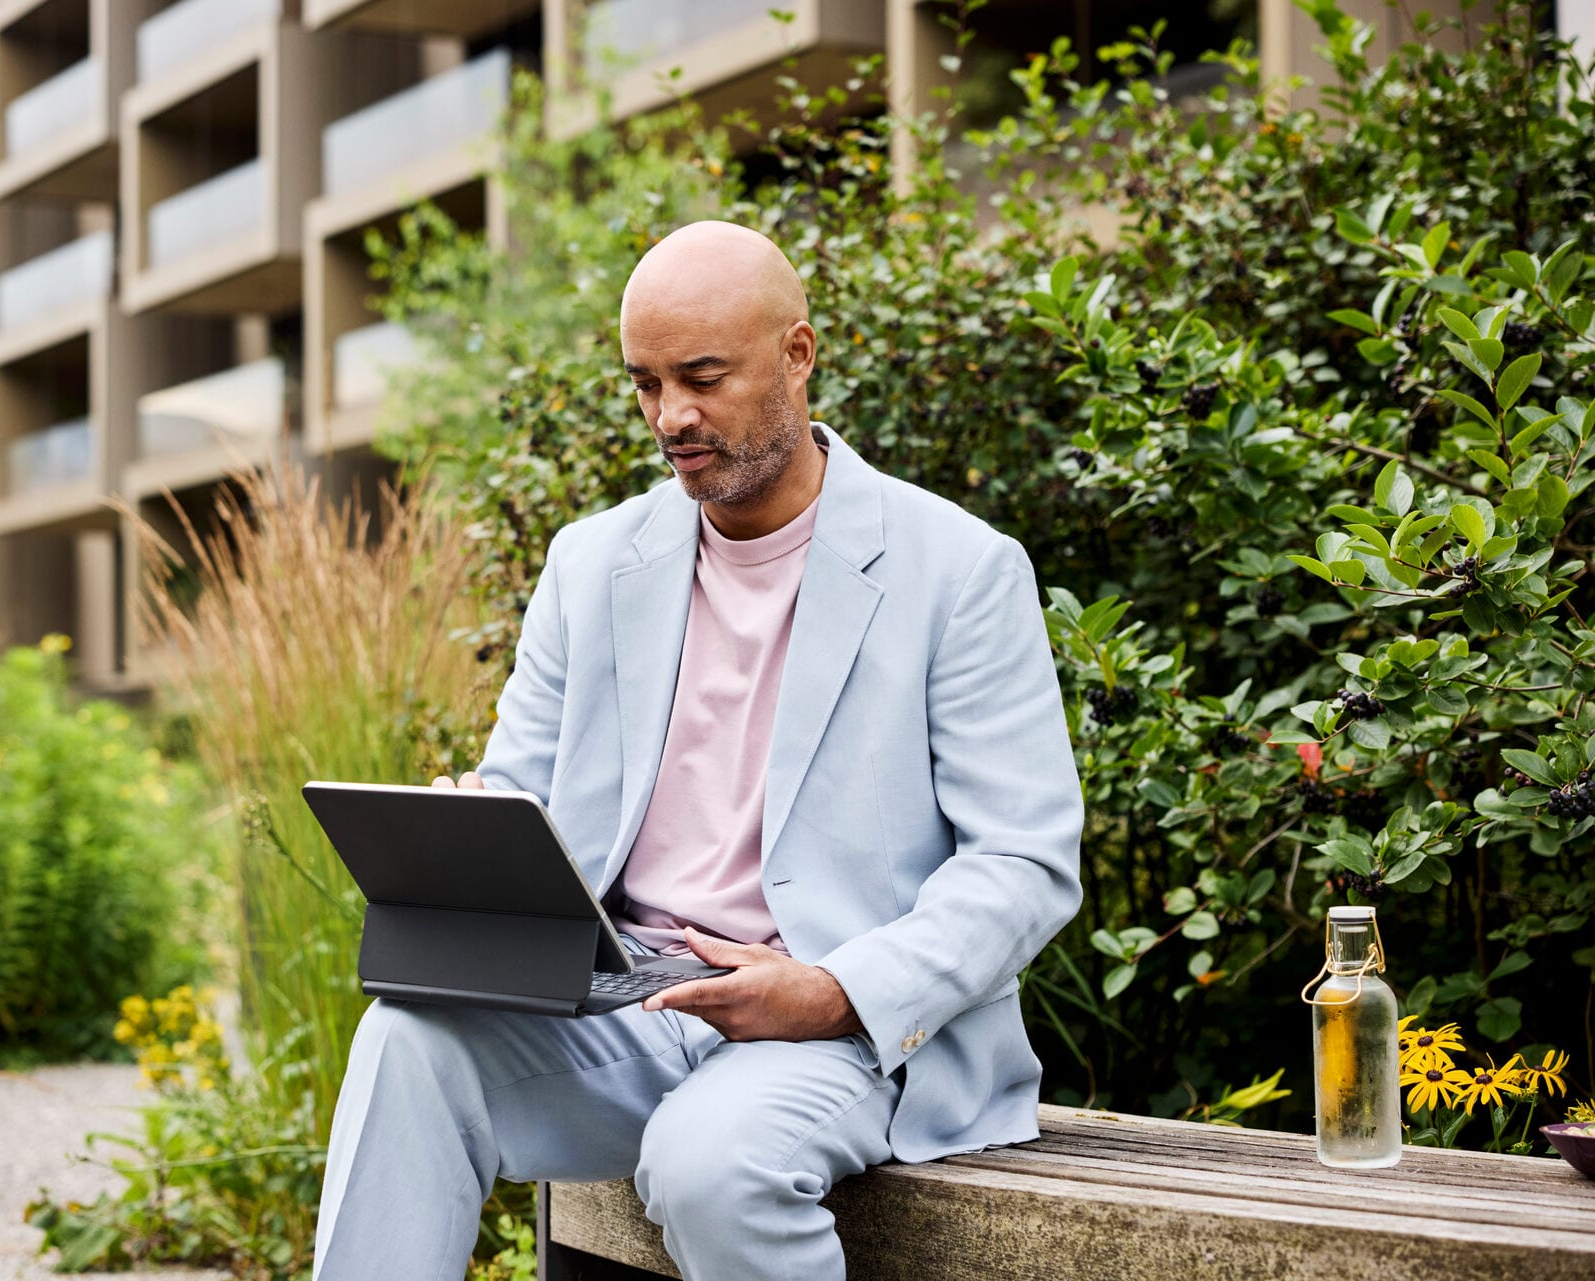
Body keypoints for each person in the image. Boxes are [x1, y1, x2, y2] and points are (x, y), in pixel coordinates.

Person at [311, 220, 1083, 1280]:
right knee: (407, 1041)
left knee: (711, 1164)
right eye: (646, 383)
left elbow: (1024, 861)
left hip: (847, 1028)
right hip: (627, 1005)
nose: (671, 416)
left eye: (703, 378)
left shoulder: (960, 570)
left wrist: (834, 989)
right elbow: (526, 792)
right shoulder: (591, 564)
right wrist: (478, 831)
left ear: (798, 355)